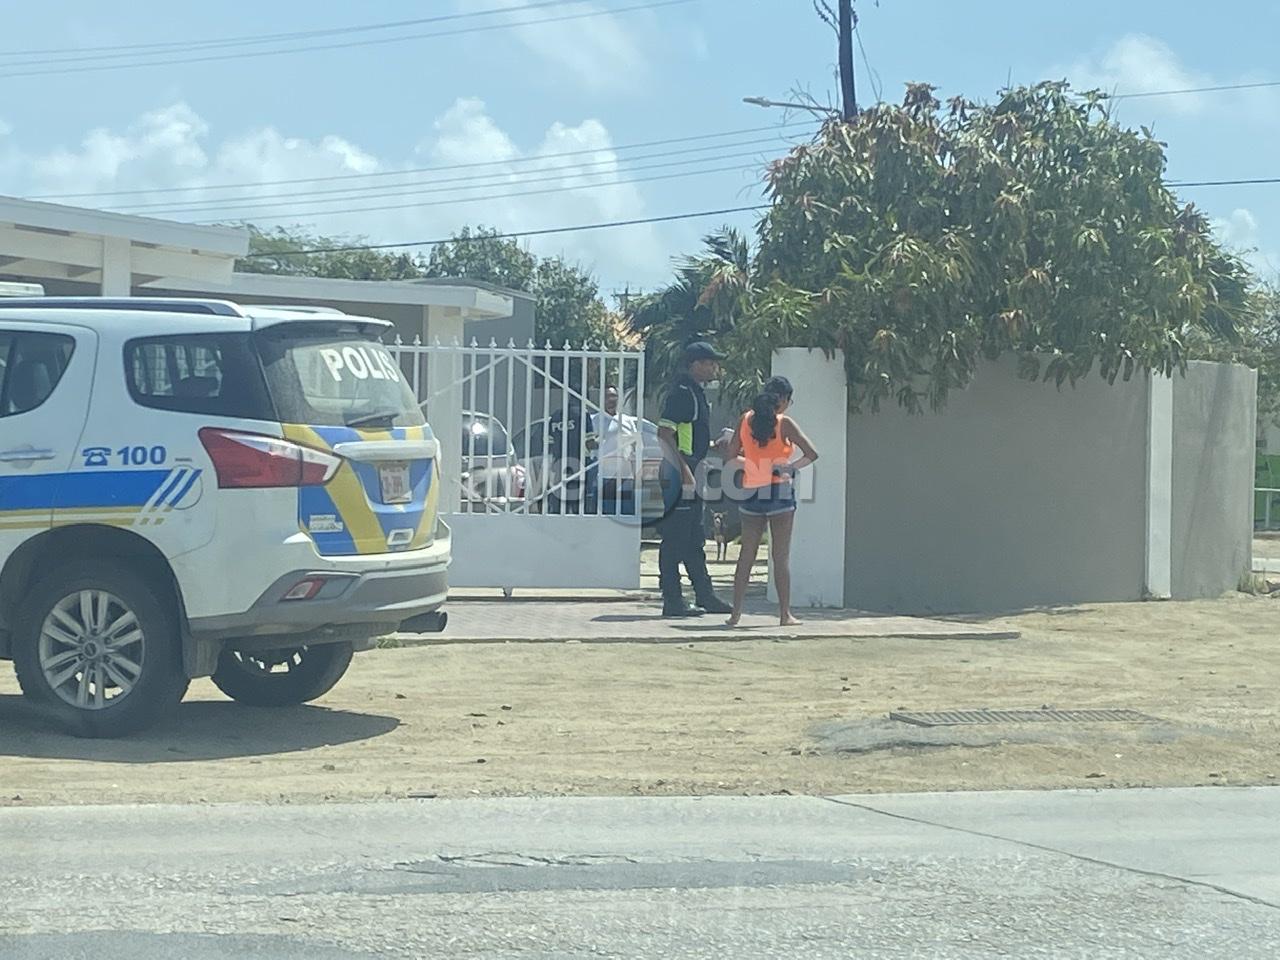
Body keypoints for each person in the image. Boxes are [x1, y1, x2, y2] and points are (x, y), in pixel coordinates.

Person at [723, 376, 819, 628]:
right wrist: (789, 468)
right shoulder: (784, 423)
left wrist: (754, 464)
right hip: (779, 491)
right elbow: (812, 453)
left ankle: (735, 614)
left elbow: (730, 457)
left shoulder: (745, 420)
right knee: (780, 556)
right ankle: (785, 614)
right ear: (784, 399)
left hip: (751, 491)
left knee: (746, 555)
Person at [656, 342, 733, 618]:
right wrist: (685, 471)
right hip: (680, 474)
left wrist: (712, 446)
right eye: (709, 363)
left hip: (692, 468)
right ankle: (672, 600)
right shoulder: (682, 393)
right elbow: (664, 434)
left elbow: (686, 436)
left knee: (693, 538)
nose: (714, 368)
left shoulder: (696, 393)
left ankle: (704, 594)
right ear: (695, 364)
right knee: (675, 539)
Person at [588, 385, 640, 516]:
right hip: (604, 475)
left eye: (613, 396)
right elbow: (587, 445)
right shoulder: (594, 420)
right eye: (607, 396)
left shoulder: (627, 421)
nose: (611, 399)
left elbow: (636, 446)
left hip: (625, 476)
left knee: (626, 514)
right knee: (606, 515)